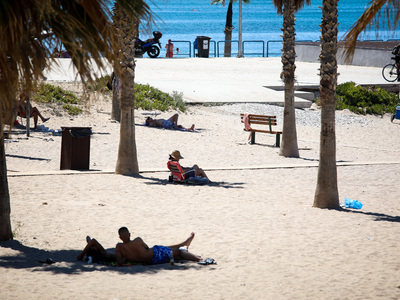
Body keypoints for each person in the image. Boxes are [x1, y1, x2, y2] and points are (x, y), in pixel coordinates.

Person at [115, 227, 202, 266]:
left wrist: (128, 257)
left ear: (120, 237)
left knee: (165, 248)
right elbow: (146, 247)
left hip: (150, 262)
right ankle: (198, 259)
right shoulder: (137, 240)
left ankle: (184, 244)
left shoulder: (119, 247)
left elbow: (120, 261)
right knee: (179, 252)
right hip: (155, 255)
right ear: (129, 234)